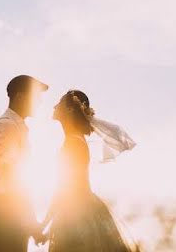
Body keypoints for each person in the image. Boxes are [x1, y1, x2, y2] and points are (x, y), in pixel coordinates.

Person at [42, 90, 137, 252]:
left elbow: (64, 188)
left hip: (77, 215)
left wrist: (44, 224)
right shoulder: (76, 140)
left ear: (70, 109)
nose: (54, 106)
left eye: (59, 103)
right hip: (79, 210)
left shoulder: (73, 143)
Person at [0, 74, 49, 252]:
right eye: (36, 97)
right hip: (4, 211)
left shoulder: (16, 126)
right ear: (20, 96)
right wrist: (30, 221)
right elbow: (13, 176)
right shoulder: (7, 126)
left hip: (10, 210)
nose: (40, 103)